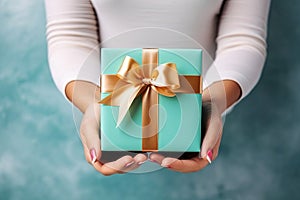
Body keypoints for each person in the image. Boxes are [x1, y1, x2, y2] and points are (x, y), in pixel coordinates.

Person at [45, 0, 270, 175]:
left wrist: (212, 103)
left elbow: (242, 40)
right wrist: (95, 104)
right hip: (113, 114)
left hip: (201, 117)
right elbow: (70, 37)